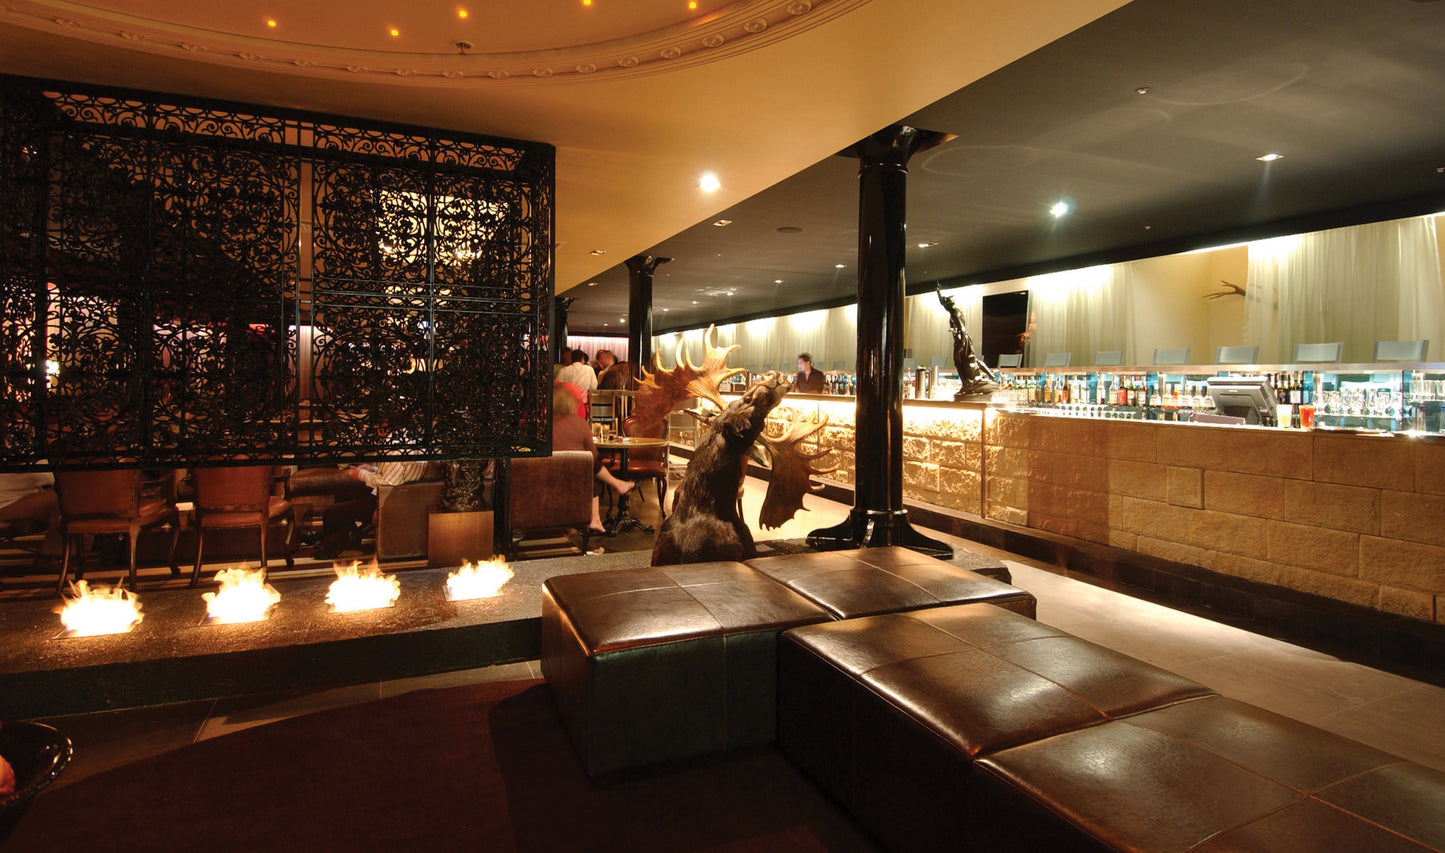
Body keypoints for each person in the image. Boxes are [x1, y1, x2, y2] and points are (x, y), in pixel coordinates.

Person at [315, 435, 429, 559]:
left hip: (387, 498)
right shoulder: (406, 438)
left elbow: (388, 482)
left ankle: (329, 547)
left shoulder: (392, 448)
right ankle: (345, 540)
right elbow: (396, 472)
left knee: (330, 512)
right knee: (344, 489)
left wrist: (361, 474)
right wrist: (373, 469)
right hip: (387, 491)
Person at [552, 384, 633, 534]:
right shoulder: (580, 424)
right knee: (592, 468)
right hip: (578, 481)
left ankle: (618, 485)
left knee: (590, 467)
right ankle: (595, 517)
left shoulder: (546, 425)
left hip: (551, 477)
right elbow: (593, 455)